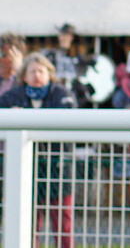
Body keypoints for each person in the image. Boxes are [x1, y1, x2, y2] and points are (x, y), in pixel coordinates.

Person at [0, 53, 76, 248]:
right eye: (32, 71)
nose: (36, 75)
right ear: (24, 76)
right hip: (25, 170)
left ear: (49, 74)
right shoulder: (10, 97)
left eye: (41, 71)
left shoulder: (63, 94)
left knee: (63, 223)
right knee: (29, 223)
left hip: (59, 170)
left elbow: (66, 122)